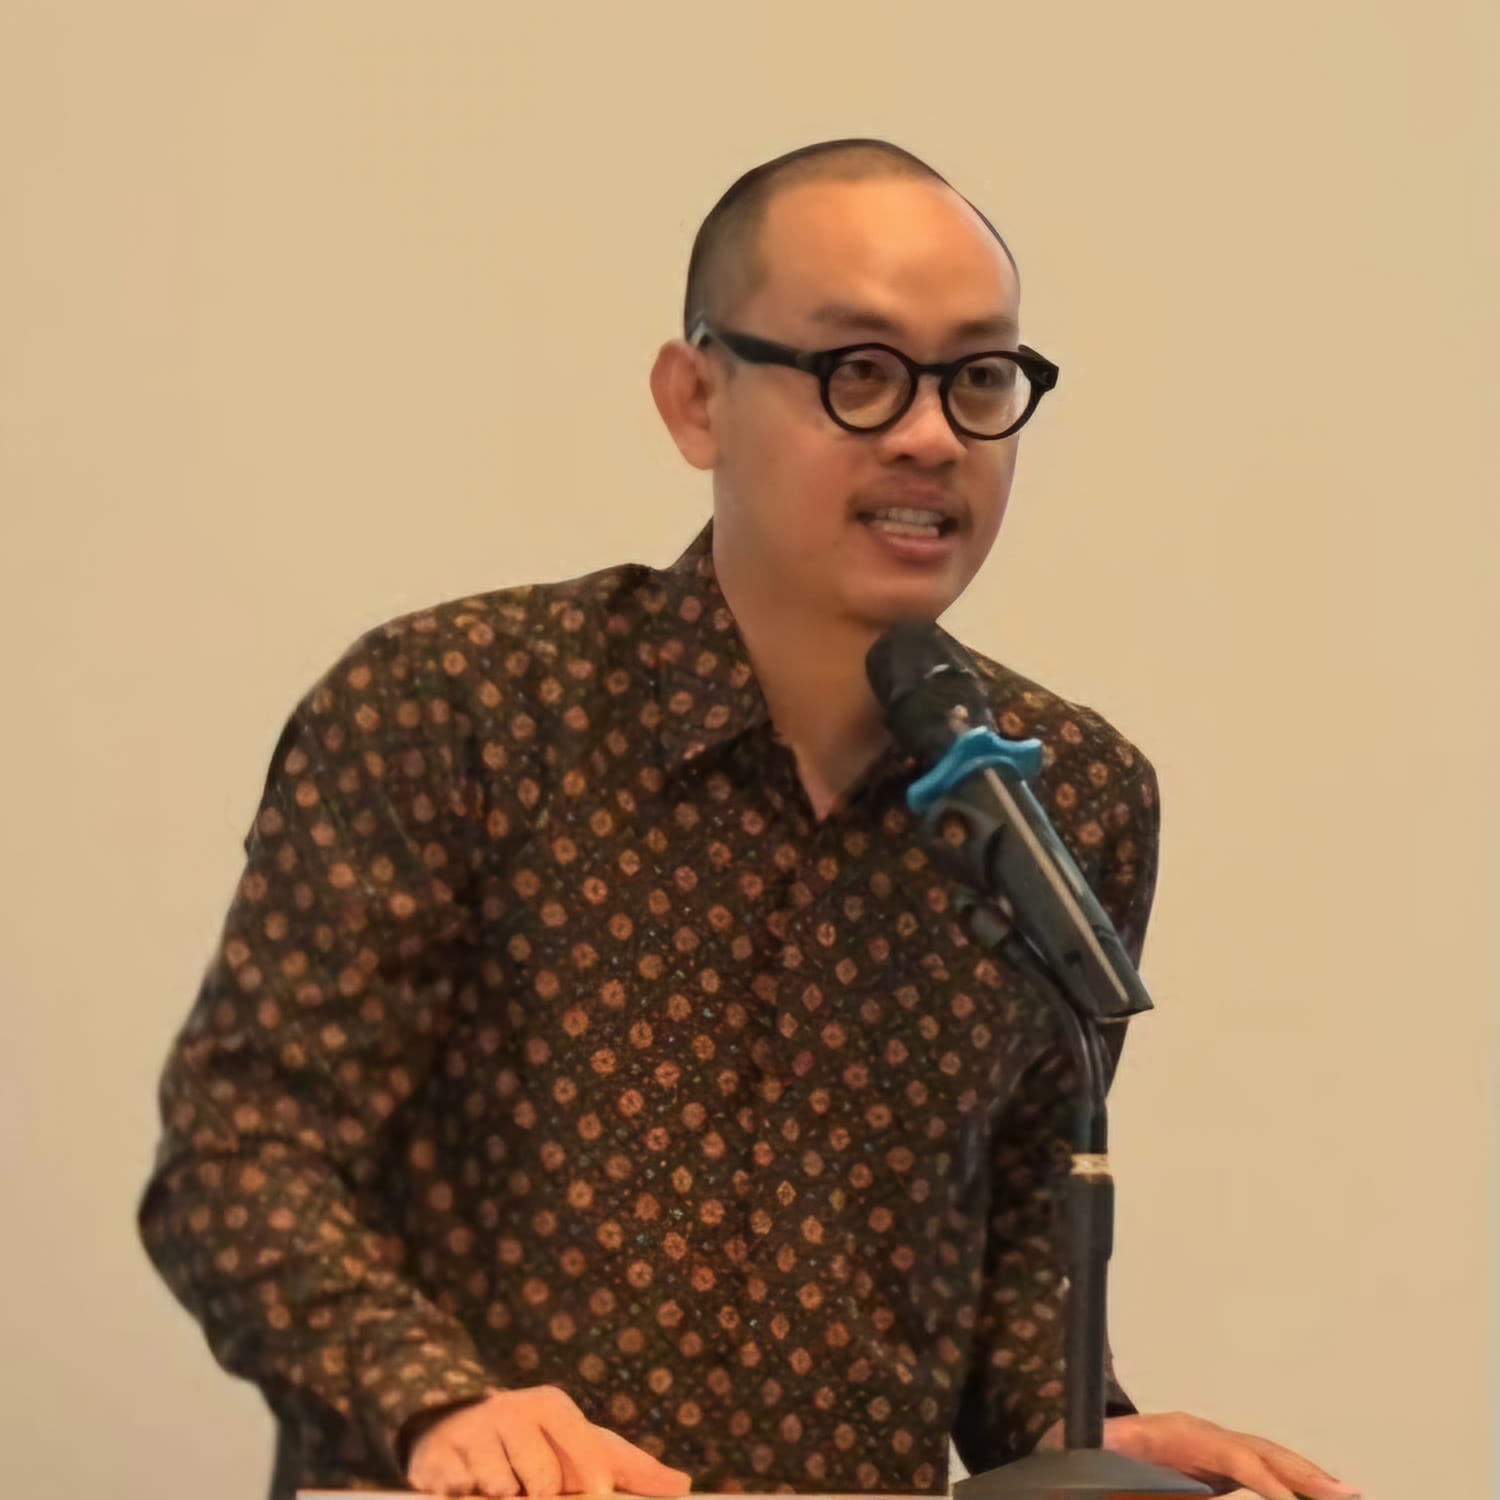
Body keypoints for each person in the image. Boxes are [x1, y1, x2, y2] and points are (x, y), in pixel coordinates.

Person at [139, 139, 1359, 1500]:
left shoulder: (1063, 793)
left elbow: (1009, 1262)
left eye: (979, 378)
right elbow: (241, 1163)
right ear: (696, 398)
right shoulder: (460, 706)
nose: (931, 435)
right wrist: (440, 1406)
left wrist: (1082, 1440)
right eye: (860, 371)